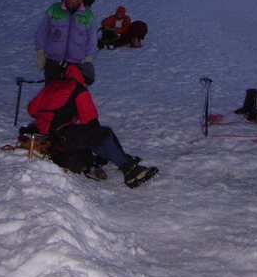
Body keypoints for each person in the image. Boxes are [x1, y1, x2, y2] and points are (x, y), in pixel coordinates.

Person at [23, 62, 158, 188]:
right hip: (59, 135)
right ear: (85, 79)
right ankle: (129, 170)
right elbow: (91, 122)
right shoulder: (79, 90)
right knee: (103, 134)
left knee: (87, 136)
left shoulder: (53, 85)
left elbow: (31, 110)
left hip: (39, 133)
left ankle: (119, 157)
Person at [35, 0, 97, 83]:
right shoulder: (54, 10)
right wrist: (40, 52)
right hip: (53, 63)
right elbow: (41, 32)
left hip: (75, 65)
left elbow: (92, 40)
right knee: (51, 95)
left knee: (71, 96)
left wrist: (88, 60)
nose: (75, 1)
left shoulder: (87, 15)